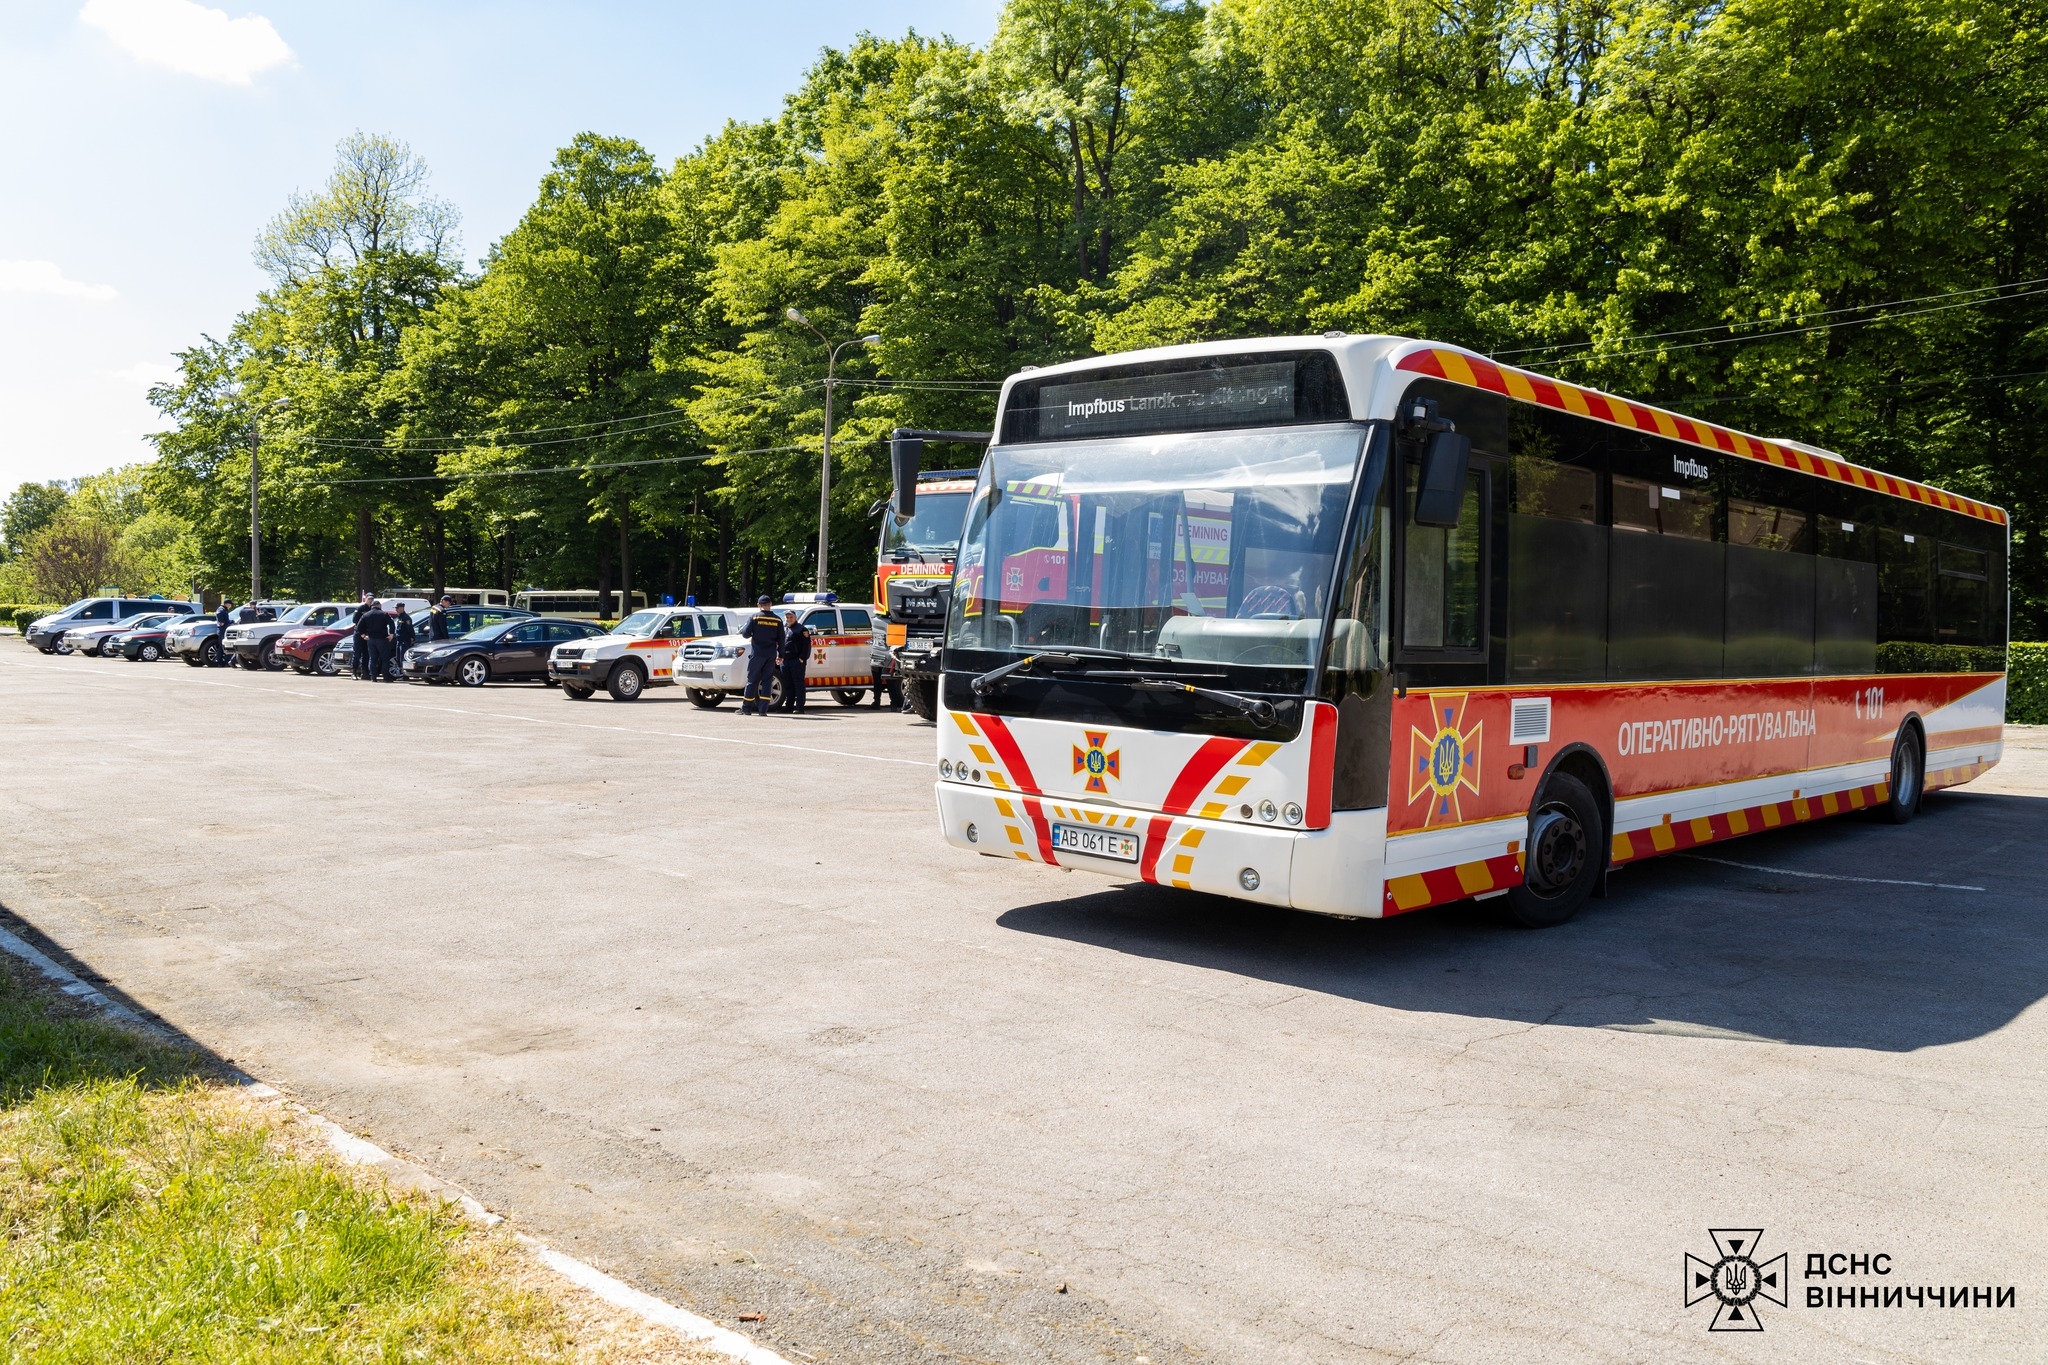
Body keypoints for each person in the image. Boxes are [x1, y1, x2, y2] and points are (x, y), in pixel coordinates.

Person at [737, 595, 783, 716]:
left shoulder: (754, 617)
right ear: (770, 604)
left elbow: (745, 634)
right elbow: (782, 640)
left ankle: (746, 709)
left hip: (757, 653)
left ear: (758, 605)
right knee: (767, 681)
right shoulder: (778, 620)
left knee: (752, 680)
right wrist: (781, 655)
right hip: (771, 654)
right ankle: (763, 710)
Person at [777, 610, 811, 713]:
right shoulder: (784, 629)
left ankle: (800, 707)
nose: (789, 619)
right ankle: (789, 707)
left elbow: (807, 645)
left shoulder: (801, 629)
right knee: (788, 685)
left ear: (795, 617)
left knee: (798, 684)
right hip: (785, 661)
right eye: (787, 617)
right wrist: (779, 656)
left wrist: (802, 658)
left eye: (791, 617)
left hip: (796, 661)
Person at [359, 599, 394, 683]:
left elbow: (359, 627)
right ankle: (386, 677)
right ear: (379, 606)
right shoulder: (384, 614)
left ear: (372, 606)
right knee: (385, 659)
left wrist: (363, 635)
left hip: (371, 639)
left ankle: (373, 677)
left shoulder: (366, 615)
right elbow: (391, 624)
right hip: (382, 639)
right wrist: (391, 634)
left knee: (372, 659)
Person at [390, 601, 417, 678]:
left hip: (405, 641)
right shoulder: (399, 617)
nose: (396, 610)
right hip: (399, 640)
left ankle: (405, 675)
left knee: (403, 658)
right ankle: (402, 673)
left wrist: (412, 637)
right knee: (398, 658)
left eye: (397, 608)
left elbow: (410, 629)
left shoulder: (406, 618)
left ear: (402, 608)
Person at [350, 593, 374, 679]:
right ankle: (354, 672)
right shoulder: (361, 608)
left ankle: (365, 673)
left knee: (366, 654)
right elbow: (354, 620)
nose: (370, 600)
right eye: (369, 599)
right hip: (359, 633)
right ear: (365, 599)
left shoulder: (372, 609)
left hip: (367, 634)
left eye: (372, 599)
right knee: (357, 653)